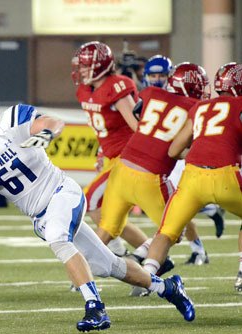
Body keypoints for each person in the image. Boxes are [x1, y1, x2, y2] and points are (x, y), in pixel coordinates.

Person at [0, 89, 196, 332]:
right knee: (110, 266)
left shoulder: (11, 123)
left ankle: (95, 308)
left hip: (62, 192)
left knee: (58, 238)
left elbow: (52, 122)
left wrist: (47, 133)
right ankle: (167, 287)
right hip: (40, 215)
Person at [96, 63, 212, 276]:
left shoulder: (151, 94)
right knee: (175, 231)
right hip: (151, 176)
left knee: (106, 229)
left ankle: (80, 280)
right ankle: (140, 260)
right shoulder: (196, 109)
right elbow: (177, 149)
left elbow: (140, 116)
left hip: (121, 171)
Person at [142, 62, 242, 292]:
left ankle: (146, 278)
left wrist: (204, 151)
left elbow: (174, 150)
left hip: (192, 177)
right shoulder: (239, 104)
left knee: (165, 233)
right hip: (227, 176)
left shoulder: (201, 107)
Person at [72, 42, 163, 269]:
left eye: (85, 65)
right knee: (111, 212)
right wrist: (103, 150)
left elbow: (136, 125)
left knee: (91, 199)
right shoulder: (86, 89)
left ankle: (108, 250)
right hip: (111, 156)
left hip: (126, 157)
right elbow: (105, 127)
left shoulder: (118, 87)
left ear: (100, 65)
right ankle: (155, 255)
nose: (81, 70)